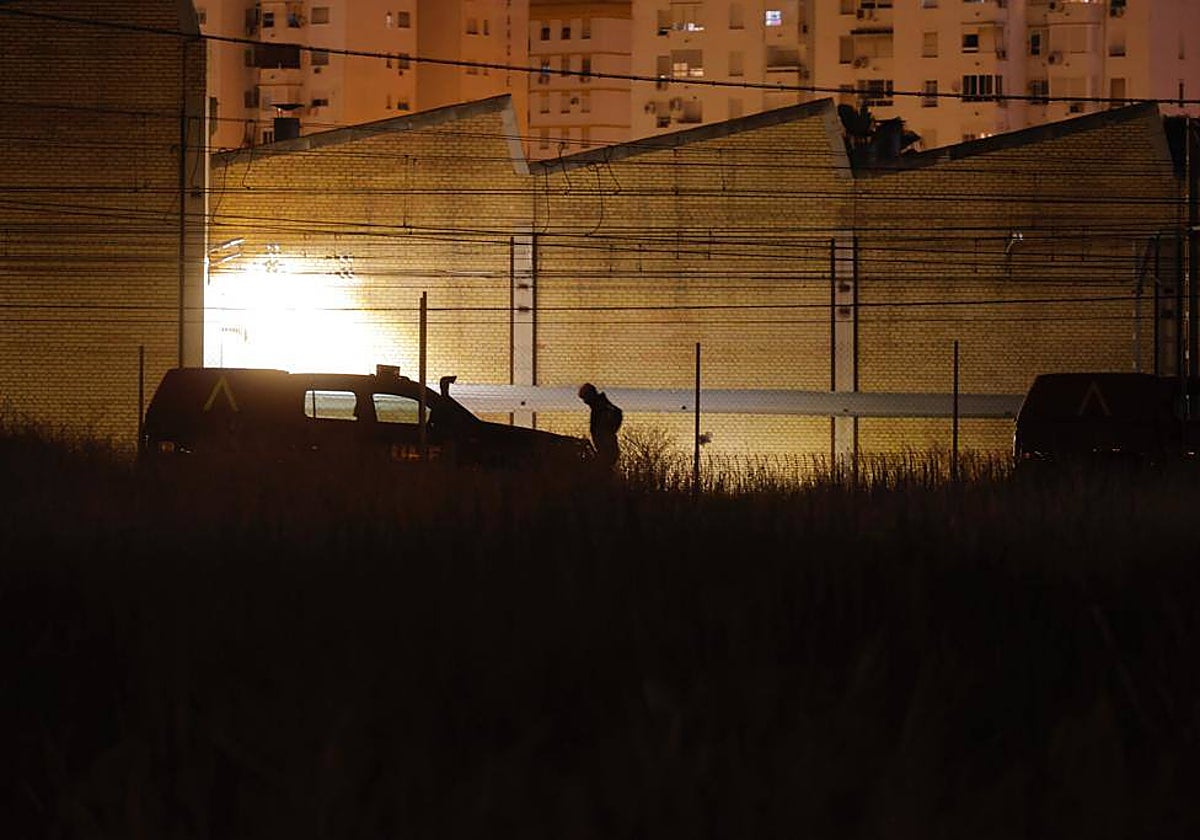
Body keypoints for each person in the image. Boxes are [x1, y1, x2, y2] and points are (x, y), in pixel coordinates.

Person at [578, 382, 623, 469]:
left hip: (607, 449)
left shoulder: (601, 407)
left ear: (590, 395)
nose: (585, 402)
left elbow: (617, 413)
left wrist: (609, 432)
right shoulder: (599, 406)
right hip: (604, 448)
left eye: (585, 398)